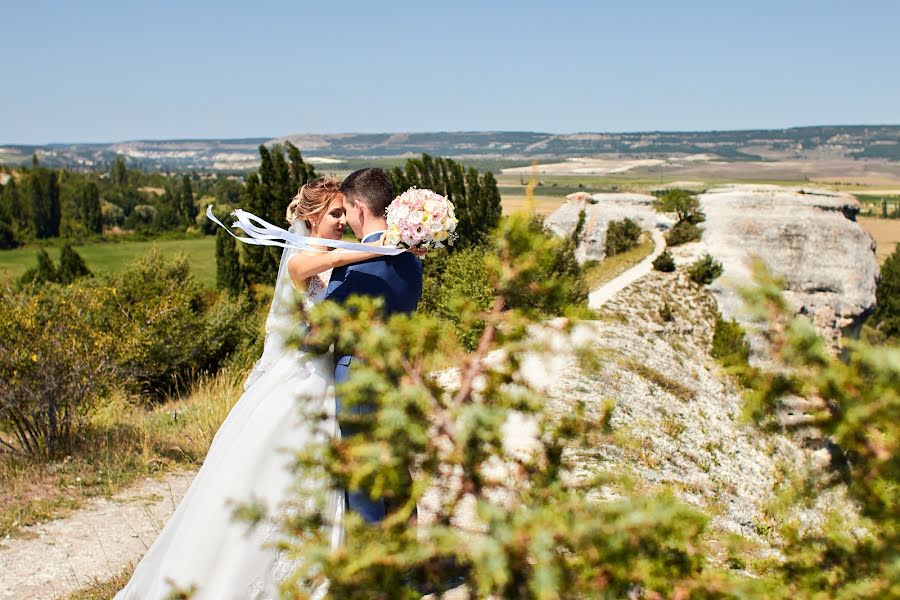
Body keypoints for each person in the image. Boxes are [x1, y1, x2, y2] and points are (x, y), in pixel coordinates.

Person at [114, 178, 387, 600]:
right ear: (312, 217)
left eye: (343, 213)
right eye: (334, 214)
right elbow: (324, 268)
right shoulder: (302, 258)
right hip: (298, 380)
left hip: (322, 377)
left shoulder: (331, 258)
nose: (340, 222)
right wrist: (389, 243)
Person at [325, 168, 424, 524]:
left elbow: (321, 331)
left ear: (359, 208)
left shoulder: (354, 266)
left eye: (346, 211)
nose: (347, 220)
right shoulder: (412, 259)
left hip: (359, 378)